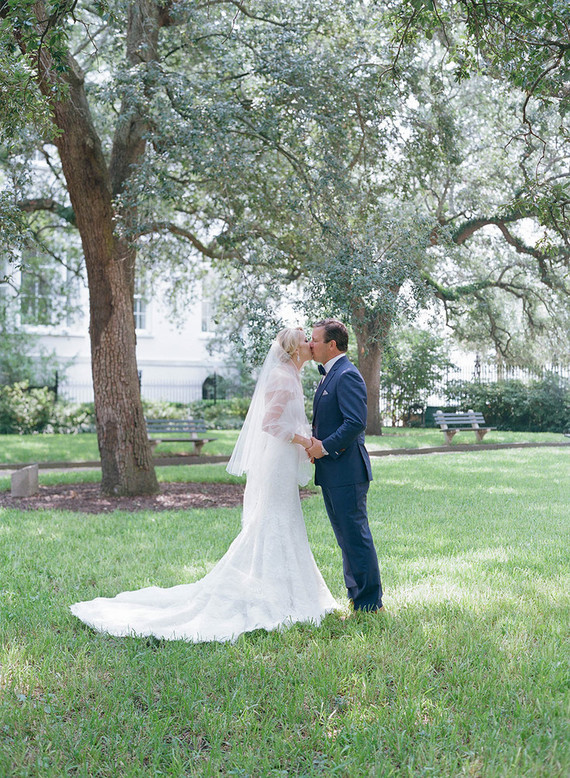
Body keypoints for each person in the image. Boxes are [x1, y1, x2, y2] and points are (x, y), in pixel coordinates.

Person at [70, 328, 337, 643]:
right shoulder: (281, 376)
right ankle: (271, 590)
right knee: (275, 518)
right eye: (306, 340)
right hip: (276, 460)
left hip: (282, 457)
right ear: (295, 350)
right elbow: (271, 423)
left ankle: (287, 587)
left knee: (284, 517)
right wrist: (306, 441)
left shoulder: (292, 374)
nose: (310, 344)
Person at [306, 319, 383, 613]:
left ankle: (370, 603)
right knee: (345, 538)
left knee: (355, 536)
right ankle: (357, 596)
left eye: (314, 340)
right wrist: (313, 445)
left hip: (347, 471)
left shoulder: (347, 374)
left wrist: (323, 447)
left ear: (332, 345)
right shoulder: (330, 374)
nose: (310, 345)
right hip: (331, 471)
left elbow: (355, 423)